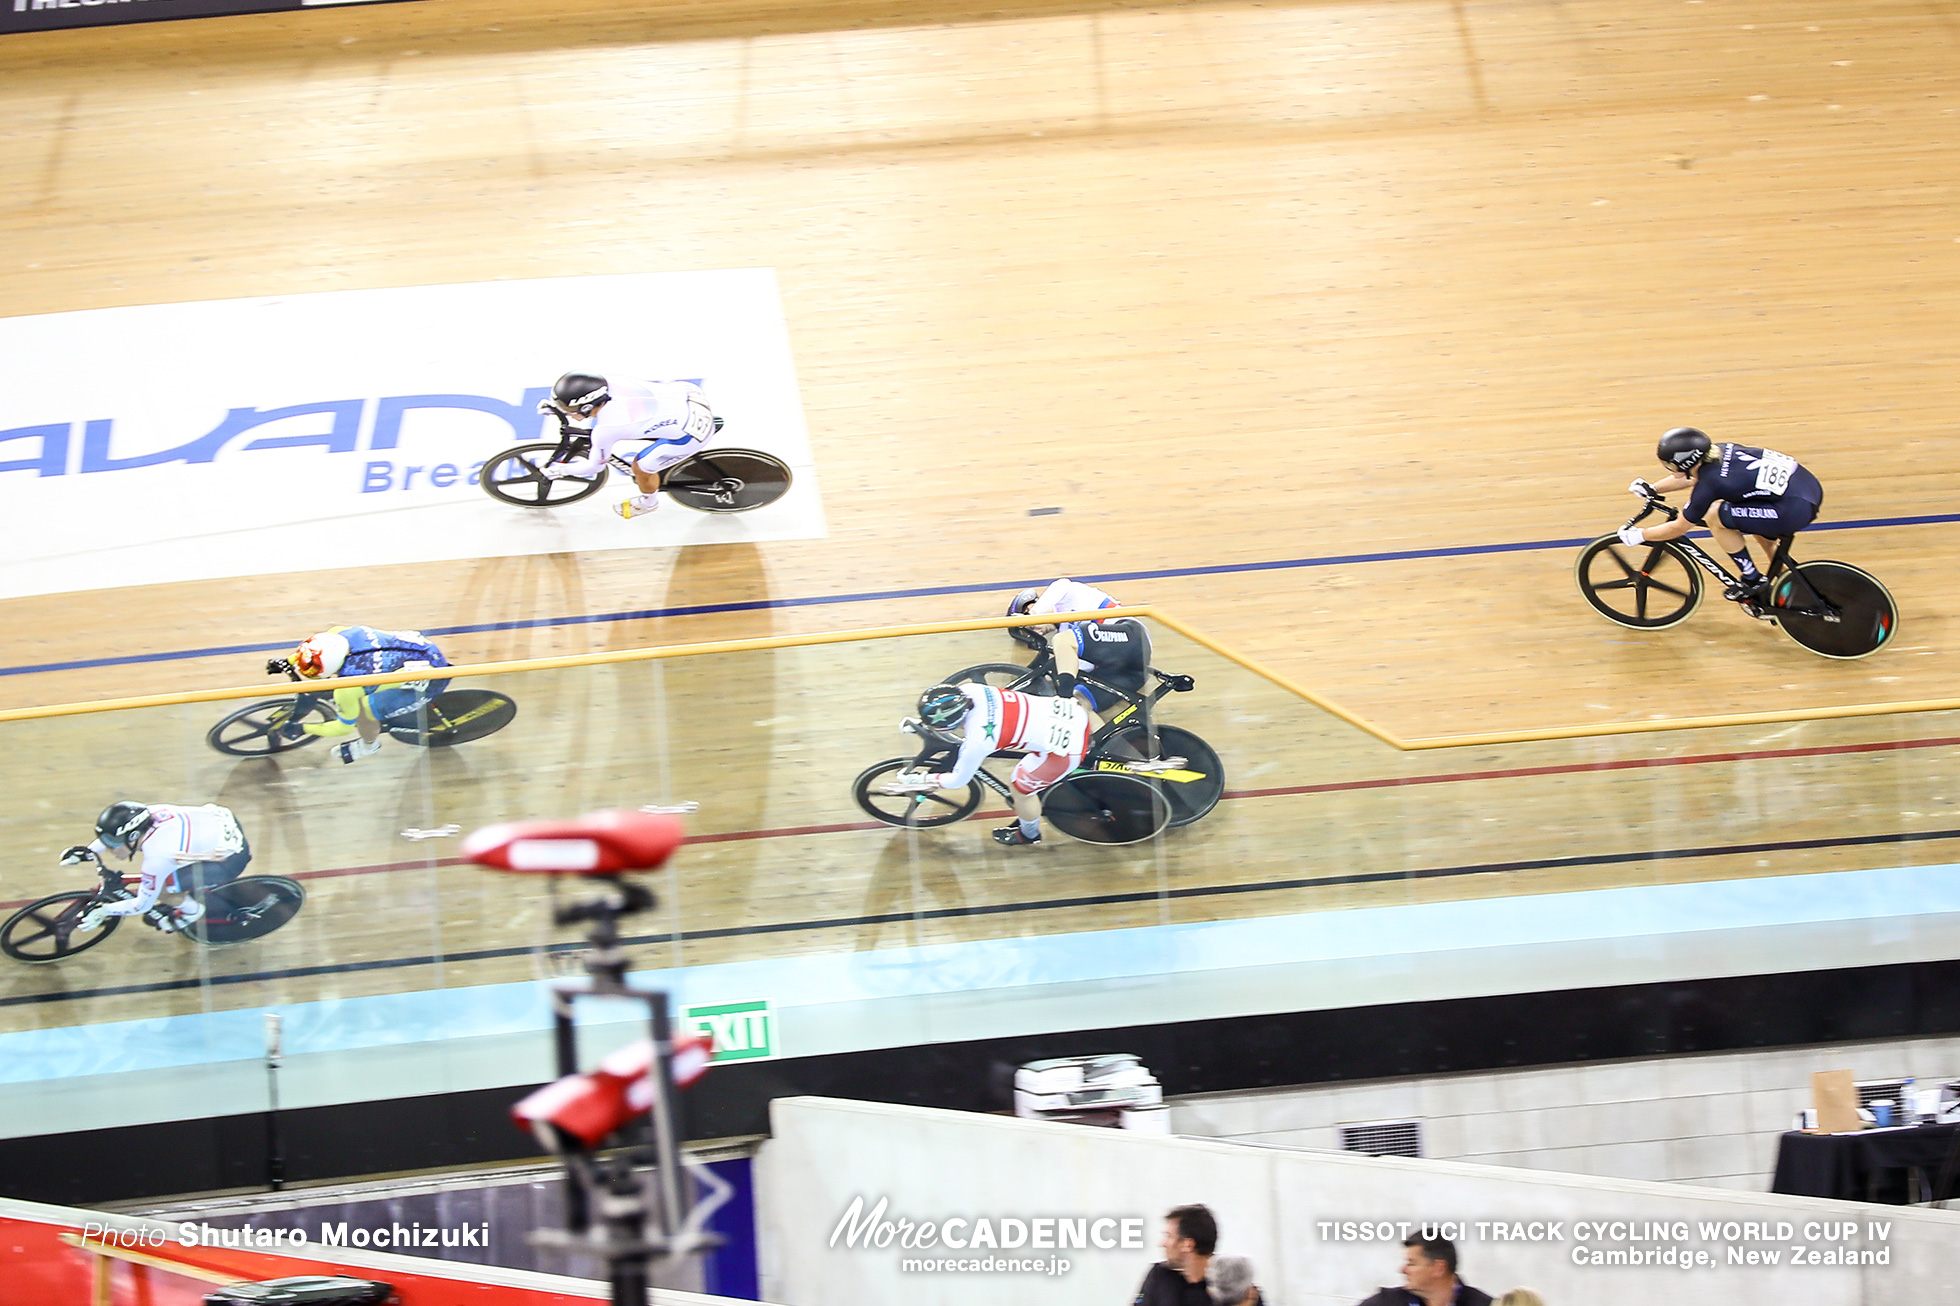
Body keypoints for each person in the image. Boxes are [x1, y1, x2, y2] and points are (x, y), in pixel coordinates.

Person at [1621, 426, 1824, 607]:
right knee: (1745, 514)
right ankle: (1786, 577)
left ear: (1685, 462)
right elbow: (1691, 477)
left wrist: (1640, 535)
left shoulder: (1711, 483)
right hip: (1805, 490)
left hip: (1790, 510)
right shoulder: (1719, 451)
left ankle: (1752, 579)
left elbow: (1679, 528)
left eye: (1672, 466)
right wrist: (1653, 488)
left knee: (1715, 515)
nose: (1671, 471)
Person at [882, 681, 1093, 847]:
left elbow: (958, 780)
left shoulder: (978, 741)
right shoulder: (970, 690)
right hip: (1072, 713)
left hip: (1065, 751)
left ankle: (1029, 834)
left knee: (1020, 790)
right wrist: (924, 724)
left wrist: (921, 779)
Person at [537, 371, 720, 520]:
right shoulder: (605, 382)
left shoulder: (608, 428)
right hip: (687, 394)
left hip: (691, 433)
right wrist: (558, 407)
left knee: (640, 466)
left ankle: (649, 503)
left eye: (569, 411)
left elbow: (595, 466)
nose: (569, 414)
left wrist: (559, 471)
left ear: (587, 406)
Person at [64, 801, 250, 935]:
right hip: (222, 821)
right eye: (107, 842)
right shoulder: (146, 814)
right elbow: (114, 833)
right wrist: (88, 851)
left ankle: (192, 911)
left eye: (113, 844)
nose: (110, 849)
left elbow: (142, 904)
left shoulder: (157, 858)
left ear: (134, 836)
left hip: (229, 859)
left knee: (162, 890)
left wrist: (104, 911)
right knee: (166, 875)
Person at [283, 625, 452, 764]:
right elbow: (314, 650)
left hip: (431, 678)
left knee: (365, 710)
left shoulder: (349, 686)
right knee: (361, 696)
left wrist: (304, 728)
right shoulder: (342, 633)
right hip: (424, 650)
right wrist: (289, 661)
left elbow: (343, 728)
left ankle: (368, 745)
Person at [1005, 578, 1150, 713]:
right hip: (1127, 673)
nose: (1036, 628)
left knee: (1062, 641)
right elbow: (1078, 668)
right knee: (1077, 707)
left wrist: (1034, 615)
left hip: (1132, 634)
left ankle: (1064, 700)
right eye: (1032, 630)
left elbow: (1062, 585)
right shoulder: (1069, 633)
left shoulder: (1066, 598)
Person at [1355, 1235, 1492, 1306]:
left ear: (1439, 1268)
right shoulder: (1385, 1303)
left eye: (1412, 1264)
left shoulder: (1485, 1305)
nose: (1403, 1270)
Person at [1131, 1204, 1217, 1306]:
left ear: (1187, 1245)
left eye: (1169, 1236)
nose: (1163, 1244)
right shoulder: (1159, 1275)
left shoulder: (1227, 1281)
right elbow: (1139, 1302)